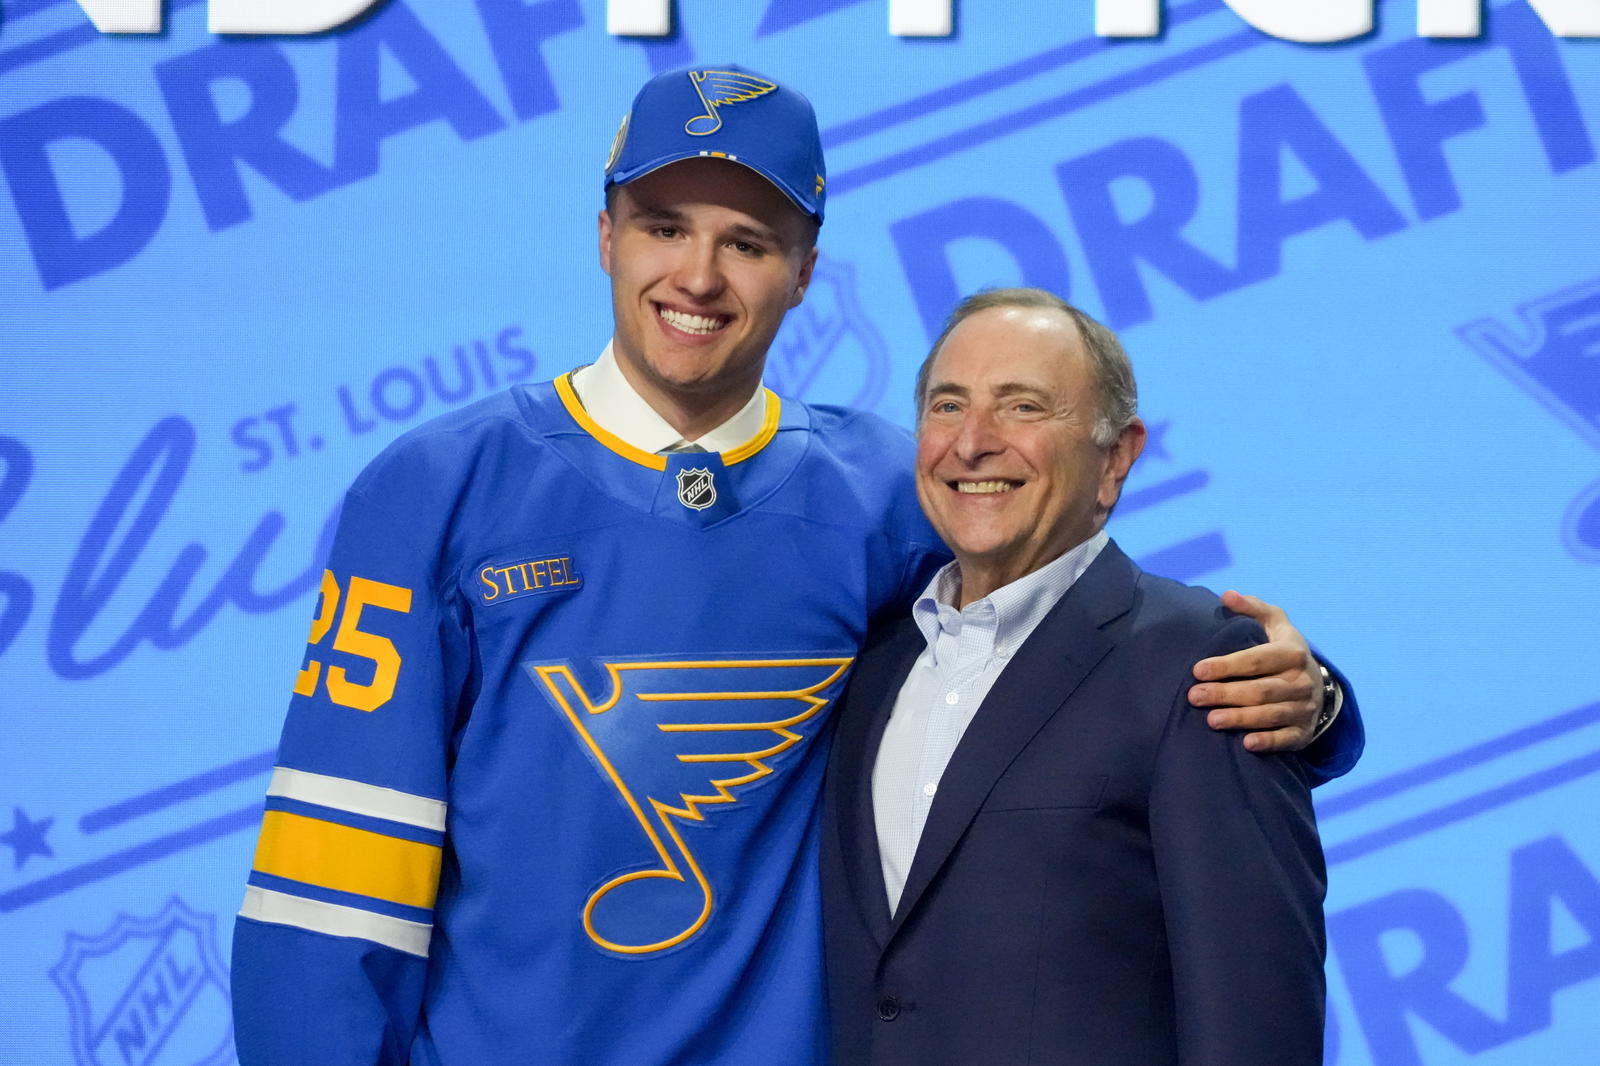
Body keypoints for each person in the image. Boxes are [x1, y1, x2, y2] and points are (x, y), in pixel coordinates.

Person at [230, 67, 1358, 1065]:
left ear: (806, 271)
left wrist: (1313, 706)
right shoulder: (438, 488)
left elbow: (1084, 648)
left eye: (748, 242)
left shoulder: (887, 493)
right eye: (664, 227)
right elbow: (337, 867)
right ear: (606, 235)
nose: (699, 276)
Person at [821, 288, 1330, 1065]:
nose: (973, 443)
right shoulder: (871, 661)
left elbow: (1254, 1011)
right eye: (948, 406)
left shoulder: (1201, 662)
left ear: (1116, 457)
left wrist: (1324, 702)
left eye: (1022, 407)